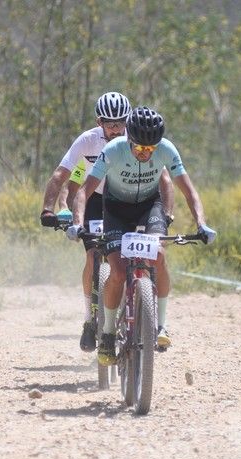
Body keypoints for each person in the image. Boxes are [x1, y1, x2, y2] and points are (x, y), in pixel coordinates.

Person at [67, 106, 216, 366]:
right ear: (129, 140)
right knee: (118, 270)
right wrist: (77, 222)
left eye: (151, 149)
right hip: (115, 210)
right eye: (139, 149)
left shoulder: (167, 150)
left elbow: (189, 191)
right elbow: (83, 191)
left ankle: (161, 326)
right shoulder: (111, 151)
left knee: (158, 256)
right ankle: (109, 333)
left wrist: (202, 223)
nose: (145, 154)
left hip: (150, 207)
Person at [40, 92, 174, 352]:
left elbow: (163, 177)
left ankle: (145, 306)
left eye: (121, 122)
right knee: (93, 255)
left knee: (146, 251)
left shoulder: (137, 137)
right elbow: (69, 179)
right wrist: (53, 208)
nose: (116, 128)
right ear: (98, 121)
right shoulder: (87, 143)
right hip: (95, 202)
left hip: (131, 202)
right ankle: (90, 320)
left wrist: (166, 213)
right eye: (109, 123)